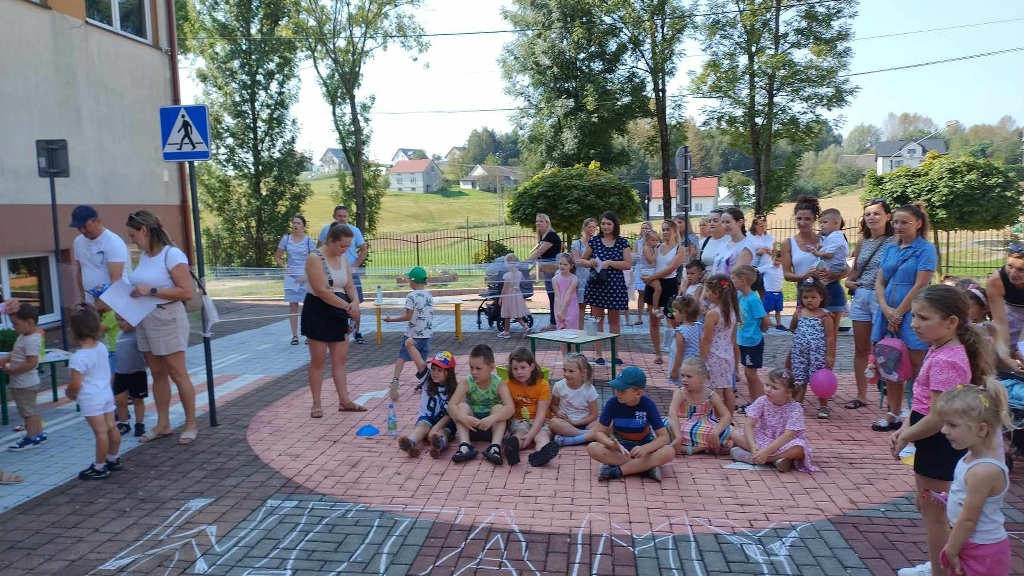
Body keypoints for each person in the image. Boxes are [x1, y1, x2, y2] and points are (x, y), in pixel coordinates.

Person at [889, 285, 995, 576]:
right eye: (913, 316)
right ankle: (941, 564)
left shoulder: (947, 359)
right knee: (928, 506)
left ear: (951, 322)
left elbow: (939, 416)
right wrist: (908, 426)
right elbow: (923, 403)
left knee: (934, 516)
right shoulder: (940, 347)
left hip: (938, 441)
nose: (914, 324)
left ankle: (941, 570)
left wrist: (905, 435)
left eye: (923, 318)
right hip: (930, 438)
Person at [923, 384, 1014, 576]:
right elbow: (971, 501)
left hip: (982, 550)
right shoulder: (970, 458)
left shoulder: (984, 470)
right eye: (944, 423)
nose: (944, 430)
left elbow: (969, 520)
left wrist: (951, 549)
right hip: (970, 543)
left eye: (952, 425)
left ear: (981, 429)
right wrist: (951, 500)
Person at [126, 210, 199, 445]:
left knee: (178, 373)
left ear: (144, 230)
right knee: (157, 374)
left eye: (133, 234)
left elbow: (186, 292)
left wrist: (151, 291)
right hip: (145, 318)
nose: (131, 239)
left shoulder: (172, 254)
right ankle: (163, 424)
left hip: (167, 318)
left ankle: (190, 424)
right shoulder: (145, 256)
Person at [871, 204, 937, 433]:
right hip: (888, 310)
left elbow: (921, 284)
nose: (899, 226)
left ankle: (918, 411)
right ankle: (893, 411)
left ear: (918, 223)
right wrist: (886, 309)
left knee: (917, 362)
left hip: (913, 310)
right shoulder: (890, 248)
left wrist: (899, 312)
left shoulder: (926, 249)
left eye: (904, 222)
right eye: (896, 222)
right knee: (890, 361)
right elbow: (880, 281)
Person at [301, 222, 364, 418]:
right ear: (330, 241)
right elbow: (321, 290)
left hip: (339, 312)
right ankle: (316, 403)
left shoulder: (343, 260)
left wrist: (355, 303)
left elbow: (349, 286)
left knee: (340, 359)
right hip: (318, 310)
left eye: (348, 246)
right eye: (342, 246)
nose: (345, 250)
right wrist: (348, 307)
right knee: (318, 360)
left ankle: (344, 401)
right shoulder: (315, 258)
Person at [844, 198, 895, 410]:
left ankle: (892, 399)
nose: (872, 217)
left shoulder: (895, 241)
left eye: (876, 213)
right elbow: (855, 269)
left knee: (886, 347)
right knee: (861, 348)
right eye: (868, 214)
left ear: (888, 216)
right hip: (862, 294)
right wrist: (848, 281)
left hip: (882, 296)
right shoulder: (862, 242)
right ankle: (861, 395)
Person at [587, 367, 675, 481]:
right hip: (621, 450)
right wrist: (611, 444)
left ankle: (616, 471)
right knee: (593, 448)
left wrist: (645, 448)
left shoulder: (648, 405)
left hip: (643, 450)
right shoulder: (612, 403)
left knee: (669, 451)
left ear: (638, 393)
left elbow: (664, 437)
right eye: (617, 388)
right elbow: (599, 431)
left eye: (623, 390)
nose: (618, 393)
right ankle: (645, 468)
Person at [65, 306, 122, 480]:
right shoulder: (101, 347)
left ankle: (99, 467)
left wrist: (69, 393)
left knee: (100, 432)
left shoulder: (78, 357)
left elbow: (75, 384)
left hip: (91, 398)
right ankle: (113, 459)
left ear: (74, 331)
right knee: (111, 426)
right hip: (106, 393)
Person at [730, 368, 820, 472]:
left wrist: (766, 452)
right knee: (735, 433)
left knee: (800, 448)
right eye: (767, 385)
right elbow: (749, 424)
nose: (768, 389)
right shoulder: (762, 401)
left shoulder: (795, 408)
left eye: (774, 388)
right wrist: (752, 445)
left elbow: (788, 435)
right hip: (763, 439)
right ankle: (776, 459)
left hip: (784, 443)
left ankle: (763, 458)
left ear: (788, 392)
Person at [577, 212, 632, 366]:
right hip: (597, 285)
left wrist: (610, 263)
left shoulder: (622, 242)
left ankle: (615, 354)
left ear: (615, 225)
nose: (605, 226)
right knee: (597, 320)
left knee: (614, 321)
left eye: (609, 224)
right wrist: (590, 262)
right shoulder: (594, 241)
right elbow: (582, 259)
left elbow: (628, 264)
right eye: (603, 224)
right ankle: (598, 354)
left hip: (615, 286)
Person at [448, 344, 514, 464]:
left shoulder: (499, 383)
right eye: (471, 367)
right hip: (471, 427)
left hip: (492, 428)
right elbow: (451, 405)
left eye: (478, 369)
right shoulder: (466, 382)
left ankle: (495, 448)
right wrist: (463, 417)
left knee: (499, 408)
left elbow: (510, 408)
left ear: (491, 367)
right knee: (461, 407)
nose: (474, 372)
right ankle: (465, 446)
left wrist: (492, 418)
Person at [502, 347, 560, 467]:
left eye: (523, 367)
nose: (519, 372)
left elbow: (541, 414)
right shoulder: (508, 384)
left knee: (542, 436)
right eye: (515, 368)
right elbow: (508, 408)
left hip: (541, 420)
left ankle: (541, 454)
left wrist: (532, 434)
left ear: (532, 367)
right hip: (520, 420)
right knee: (519, 433)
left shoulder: (542, 384)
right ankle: (512, 449)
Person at [396, 345, 457, 459]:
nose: (435, 373)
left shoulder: (454, 390)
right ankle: (411, 442)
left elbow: (450, 415)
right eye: (433, 369)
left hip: (444, 422)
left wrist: (435, 429)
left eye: (440, 370)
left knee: (443, 432)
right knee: (422, 426)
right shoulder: (427, 379)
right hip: (427, 418)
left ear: (449, 373)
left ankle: (438, 444)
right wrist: (410, 347)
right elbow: (419, 361)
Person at [318, 206, 368, 343]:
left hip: (350, 271)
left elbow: (363, 249)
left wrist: (355, 266)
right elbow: (319, 248)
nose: (342, 219)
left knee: (356, 300)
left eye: (344, 216)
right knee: (335, 301)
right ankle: (338, 329)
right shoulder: (327, 230)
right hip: (333, 272)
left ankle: (357, 331)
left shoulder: (354, 230)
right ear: (334, 216)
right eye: (339, 216)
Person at [384, 266, 433, 400]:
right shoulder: (429, 295)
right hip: (426, 333)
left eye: (409, 280)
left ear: (413, 281)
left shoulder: (411, 296)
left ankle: (395, 379)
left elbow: (408, 317)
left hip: (412, 335)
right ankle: (423, 383)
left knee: (402, 357)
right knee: (421, 360)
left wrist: (391, 320)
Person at [789, 279, 836, 419]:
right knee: (799, 378)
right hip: (799, 353)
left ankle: (823, 405)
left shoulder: (825, 316)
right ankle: (798, 404)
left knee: (820, 379)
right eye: (805, 297)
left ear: (821, 297)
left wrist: (830, 355)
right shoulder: (799, 312)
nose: (809, 300)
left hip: (818, 354)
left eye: (813, 297)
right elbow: (793, 327)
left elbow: (830, 337)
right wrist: (801, 339)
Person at [642, 221, 687, 365]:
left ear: (674, 230)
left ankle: (679, 350)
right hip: (654, 284)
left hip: (668, 285)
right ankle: (658, 353)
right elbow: (647, 260)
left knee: (673, 318)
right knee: (653, 320)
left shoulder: (680, 249)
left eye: (668, 229)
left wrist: (651, 277)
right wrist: (648, 276)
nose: (665, 232)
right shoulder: (657, 246)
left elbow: (671, 268)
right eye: (663, 230)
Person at [3, 304, 46, 451]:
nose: (13, 327)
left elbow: (31, 363)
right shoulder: (24, 336)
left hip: (24, 384)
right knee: (32, 410)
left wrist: (13, 370)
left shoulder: (31, 340)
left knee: (28, 413)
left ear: (29, 322)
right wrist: (5, 359)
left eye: (16, 324)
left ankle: (31, 438)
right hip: (24, 383)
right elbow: (15, 352)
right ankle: (39, 434)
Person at [669, 358, 732, 456]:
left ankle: (690, 448)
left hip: (705, 425)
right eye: (682, 375)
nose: (684, 379)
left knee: (731, 431)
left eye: (689, 376)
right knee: (665, 427)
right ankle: (705, 447)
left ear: (702, 379)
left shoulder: (711, 394)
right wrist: (678, 436)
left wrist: (715, 432)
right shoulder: (680, 393)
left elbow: (726, 416)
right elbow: (672, 415)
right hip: (683, 424)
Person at [71, 205, 130, 307]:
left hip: (112, 304)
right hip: (90, 303)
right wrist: (83, 299)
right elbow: (80, 271)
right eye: (78, 227)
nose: (82, 230)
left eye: (85, 226)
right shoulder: (78, 241)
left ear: (98, 221)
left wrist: (102, 305)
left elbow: (116, 280)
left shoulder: (113, 242)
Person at [700, 274, 739, 414]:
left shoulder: (713, 314)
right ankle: (728, 418)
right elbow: (732, 336)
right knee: (728, 388)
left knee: (716, 389)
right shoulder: (731, 310)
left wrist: (701, 358)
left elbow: (706, 339)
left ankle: (717, 418)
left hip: (714, 355)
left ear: (716, 293)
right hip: (727, 354)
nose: (706, 294)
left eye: (707, 291)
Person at [810, 208, 850, 343]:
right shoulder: (830, 236)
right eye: (820, 223)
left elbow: (829, 255)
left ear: (836, 223)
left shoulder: (836, 236)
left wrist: (818, 253)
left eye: (825, 222)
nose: (822, 225)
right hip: (829, 271)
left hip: (832, 269)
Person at [275, 214, 316, 345]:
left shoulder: (309, 241)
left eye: (298, 223)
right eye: (294, 223)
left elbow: (316, 258)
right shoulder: (286, 239)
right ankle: (294, 335)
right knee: (293, 306)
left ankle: (308, 334)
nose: (295, 225)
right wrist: (285, 268)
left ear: (303, 226)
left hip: (305, 275)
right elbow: (278, 257)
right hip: (291, 276)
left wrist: (308, 273)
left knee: (308, 306)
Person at [732, 265, 768, 412]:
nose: (732, 281)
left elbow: (765, 320)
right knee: (748, 373)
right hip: (743, 340)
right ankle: (754, 403)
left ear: (743, 280)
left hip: (753, 342)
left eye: (733, 278)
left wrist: (758, 331)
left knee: (752, 374)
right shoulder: (741, 297)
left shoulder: (753, 299)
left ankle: (762, 405)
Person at [548, 352, 600, 447]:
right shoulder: (559, 386)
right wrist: (558, 412)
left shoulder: (589, 389)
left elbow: (594, 415)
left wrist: (575, 422)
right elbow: (553, 405)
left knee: (606, 423)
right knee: (553, 422)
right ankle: (588, 435)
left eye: (571, 371)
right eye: (564, 370)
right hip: (566, 423)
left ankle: (570, 440)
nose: (566, 374)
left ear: (583, 373)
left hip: (586, 423)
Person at [986, 243, 1024, 360]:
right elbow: (1000, 322)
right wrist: (1005, 355)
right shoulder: (995, 281)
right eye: (1010, 266)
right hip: (1010, 314)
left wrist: (1021, 348)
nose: (1013, 274)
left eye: (1021, 270)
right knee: (1001, 354)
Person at [112, 314, 148, 438]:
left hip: (137, 373)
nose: (119, 323)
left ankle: (139, 424)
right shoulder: (118, 335)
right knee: (120, 400)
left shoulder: (139, 336)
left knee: (137, 400)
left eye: (123, 320)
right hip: (120, 373)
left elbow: (146, 354)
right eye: (118, 320)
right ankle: (124, 423)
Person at [527, 213, 562, 330]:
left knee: (554, 296)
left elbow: (539, 252)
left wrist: (525, 263)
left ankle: (556, 323)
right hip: (548, 270)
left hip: (553, 271)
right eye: (537, 221)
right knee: (552, 296)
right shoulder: (544, 237)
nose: (538, 223)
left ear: (547, 223)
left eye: (541, 221)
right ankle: (554, 322)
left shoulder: (551, 236)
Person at [667, 295, 702, 388]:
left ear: (683, 313)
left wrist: (674, 370)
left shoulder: (681, 331)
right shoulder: (697, 326)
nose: (673, 314)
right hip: (695, 362)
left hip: (684, 364)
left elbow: (679, 352)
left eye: (675, 311)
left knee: (684, 387)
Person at [711, 207, 754, 277]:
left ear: (740, 222)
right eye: (722, 222)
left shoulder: (745, 247)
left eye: (728, 222)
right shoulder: (723, 245)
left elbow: (737, 276)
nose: (724, 226)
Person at [571, 218, 597, 330]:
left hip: (595, 276)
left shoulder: (598, 243)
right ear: (584, 228)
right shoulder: (577, 244)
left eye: (593, 227)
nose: (591, 229)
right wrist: (589, 262)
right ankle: (580, 330)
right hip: (581, 277)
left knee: (595, 306)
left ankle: (593, 330)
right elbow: (576, 261)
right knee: (581, 305)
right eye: (589, 227)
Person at [497, 253, 530, 339]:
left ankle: (507, 331)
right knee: (517, 314)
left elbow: (504, 289)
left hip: (509, 296)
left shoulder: (506, 275)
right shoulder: (519, 273)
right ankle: (525, 327)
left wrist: (500, 298)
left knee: (507, 314)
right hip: (517, 295)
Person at [628, 221, 653, 325]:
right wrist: (637, 255)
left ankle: (653, 316)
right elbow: (633, 256)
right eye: (643, 228)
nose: (644, 230)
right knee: (641, 293)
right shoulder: (638, 241)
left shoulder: (653, 240)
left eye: (646, 228)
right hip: (640, 268)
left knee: (652, 293)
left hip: (650, 269)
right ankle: (639, 317)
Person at [747, 215, 775, 298]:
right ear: (755, 226)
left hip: (766, 267)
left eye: (765, 226)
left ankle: (764, 306)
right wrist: (756, 252)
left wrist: (771, 252)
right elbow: (743, 252)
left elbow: (775, 252)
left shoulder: (770, 237)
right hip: (753, 268)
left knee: (764, 292)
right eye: (761, 226)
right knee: (750, 292)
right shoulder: (748, 237)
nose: (763, 228)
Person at [551, 253, 579, 335]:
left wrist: (563, 311)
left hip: (571, 305)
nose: (562, 266)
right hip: (559, 306)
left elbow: (568, 294)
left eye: (565, 264)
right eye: (560, 264)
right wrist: (559, 311)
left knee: (572, 331)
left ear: (571, 266)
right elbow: (557, 296)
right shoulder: (555, 279)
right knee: (561, 331)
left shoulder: (574, 278)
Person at [758, 250, 786, 330]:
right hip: (769, 292)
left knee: (778, 310)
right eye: (776, 260)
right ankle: (765, 325)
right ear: (773, 257)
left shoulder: (782, 268)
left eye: (780, 261)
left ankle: (779, 324)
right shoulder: (767, 267)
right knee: (767, 310)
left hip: (779, 292)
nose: (777, 262)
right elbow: (756, 270)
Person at [638, 230, 660, 318]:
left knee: (657, 289)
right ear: (646, 240)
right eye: (653, 240)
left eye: (656, 240)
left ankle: (654, 307)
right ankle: (655, 308)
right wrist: (656, 251)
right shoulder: (646, 248)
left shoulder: (651, 248)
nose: (655, 242)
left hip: (652, 271)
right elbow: (650, 260)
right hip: (647, 272)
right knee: (658, 289)